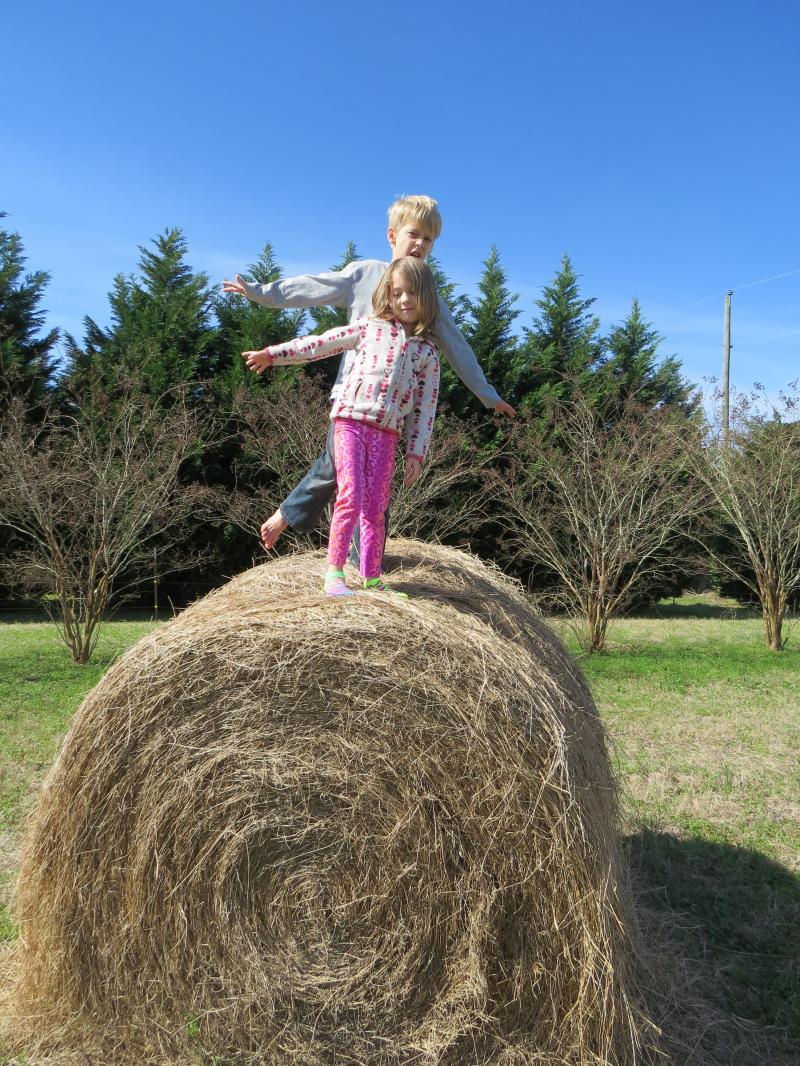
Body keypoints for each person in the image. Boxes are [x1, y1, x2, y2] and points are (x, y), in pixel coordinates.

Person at [223, 195, 514, 550]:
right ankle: (291, 518)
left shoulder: (427, 294)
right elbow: (313, 288)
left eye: (429, 239)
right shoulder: (366, 274)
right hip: (351, 399)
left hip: (389, 415)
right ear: (393, 236)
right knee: (335, 468)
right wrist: (260, 293)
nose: (421, 244)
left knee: (376, 488)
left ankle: (367, 564)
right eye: (414, 234)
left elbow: (456, 346)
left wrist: (488, 395)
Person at [242, 257, 440, 597]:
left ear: (426, 299)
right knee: (349, 495)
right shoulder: (368, 328)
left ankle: (372, 578)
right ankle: (334, 574)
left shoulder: (426, 354)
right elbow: (319, 344)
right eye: (397, 292)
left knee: (376, 507)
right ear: (387, 295)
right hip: (350, 421)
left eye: (412, 293)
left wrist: (416, 452)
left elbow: (425, 409)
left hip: (387, 433)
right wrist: (273, 354)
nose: (405, 300)